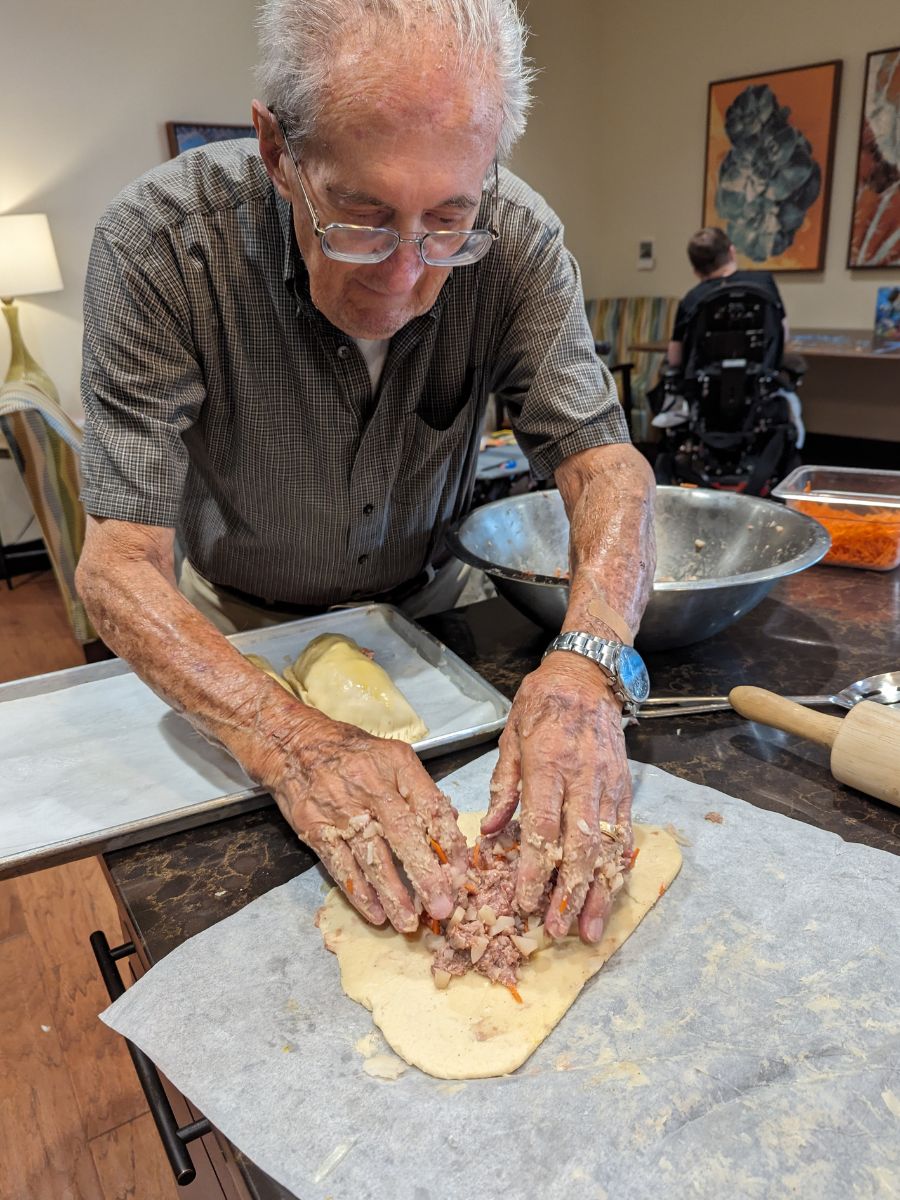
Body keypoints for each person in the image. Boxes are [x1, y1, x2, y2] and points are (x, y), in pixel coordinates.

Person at [75, 0, 656, 947]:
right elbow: (118, 567)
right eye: (360, 217)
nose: (403, 275)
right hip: (240, 634)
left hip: (433, 613)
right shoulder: (161, 244)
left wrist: (587, 670)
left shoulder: (518, 237)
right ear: (276, 150)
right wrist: (294, 743)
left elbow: (607, 470)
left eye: (447, 223)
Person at [654, 227, 803, 445]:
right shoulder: (764, 284)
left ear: (695, 270)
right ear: (732, 252)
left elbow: (676, 359)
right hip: (759, 393)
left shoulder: (692, 299)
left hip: (706, 401)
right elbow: (783, 335)